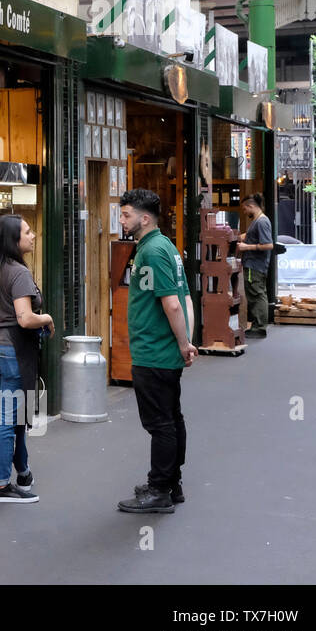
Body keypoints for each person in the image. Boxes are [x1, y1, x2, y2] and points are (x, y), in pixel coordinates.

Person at [117, 188, 197, 514]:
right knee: (171, 417)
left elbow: (173, 304)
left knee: (159, 423)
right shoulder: (165, 247)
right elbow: (185, 297)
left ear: (144, 218)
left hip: (154, 351)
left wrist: (183, 343)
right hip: (163, 351)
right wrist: (187, 342)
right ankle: (171, 482)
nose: (122, 220)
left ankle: (159, 489)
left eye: (126, 215)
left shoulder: (151, 251)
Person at [0, 214, 52, 503]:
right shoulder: (18, 273)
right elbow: (25, 318)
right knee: (8, 420)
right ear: (14, 240)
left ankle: (23, 472)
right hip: (13, 351)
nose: (32, 235)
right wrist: (45, 317)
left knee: (15, 415)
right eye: (27, 231)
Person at [236, 192, 274, 338]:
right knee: (256, 293)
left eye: (245, 209)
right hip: (254, 264)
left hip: (255, 265)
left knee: (257, 294)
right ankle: (258, 325)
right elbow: (250, 235)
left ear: (251, 206)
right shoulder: (258, 221)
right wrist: (237, 237)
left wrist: (247, 247)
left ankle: (259, 327)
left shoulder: (262, 221)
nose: (244, 212)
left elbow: (268, 245)